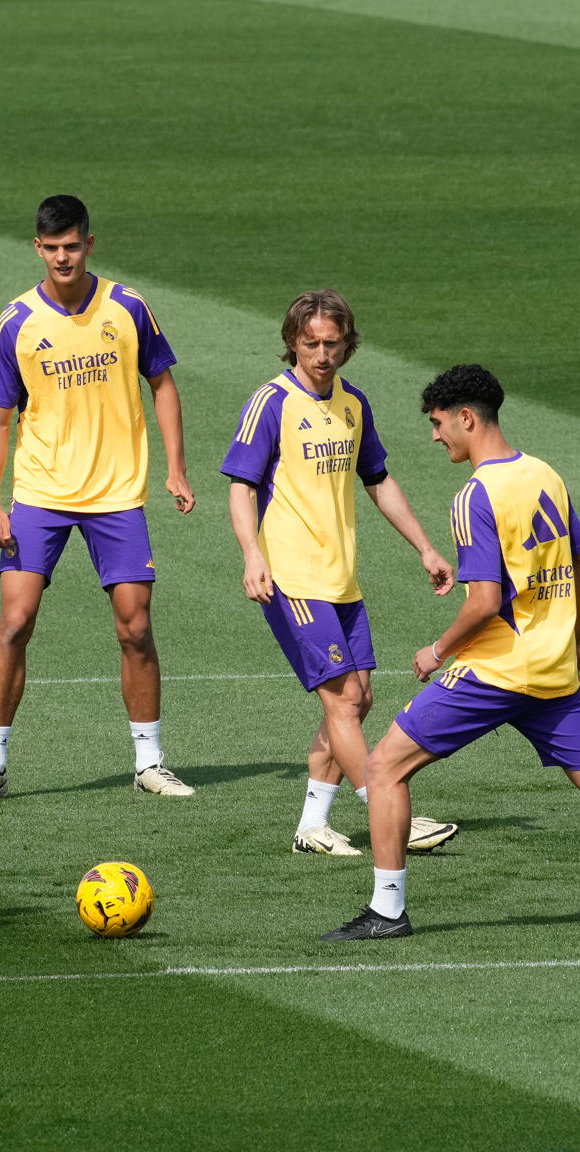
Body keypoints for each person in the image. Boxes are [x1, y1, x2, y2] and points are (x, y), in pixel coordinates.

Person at [322, 365, 580, 941]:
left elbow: (483, 603)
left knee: (383, 767)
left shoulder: (474, 496)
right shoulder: (544, 474)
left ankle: (387, 911)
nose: (435, 437)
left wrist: (437, 649)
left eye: (438, 424)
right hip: (552, 672)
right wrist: (573, 641)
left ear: (466, 418)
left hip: (494, 672)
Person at [0, 194, 196, 802]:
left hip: (117, 494)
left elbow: (161, 383)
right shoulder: (16, 322)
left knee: (135, 626)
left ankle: (150, 762)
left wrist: (176, 468)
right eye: (52, 248)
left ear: (89, 243)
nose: (63, 257)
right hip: (40, 493)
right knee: (14, 621)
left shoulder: (129, 307)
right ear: (38, 247)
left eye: (72, 246)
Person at [221, 290, 459, 857]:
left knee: (359, 699)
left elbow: (378, 479)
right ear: (292, 343)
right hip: (292, 577)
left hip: (341, 578)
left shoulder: (353, 404)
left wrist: (425, 548)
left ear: (348, 345)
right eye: (311, 344)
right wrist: (252, 556)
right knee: (343, 699)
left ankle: (312, 825)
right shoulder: (271, 403)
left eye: (332, 343)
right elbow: (240, 486)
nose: (322, 354)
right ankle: (386, 802)